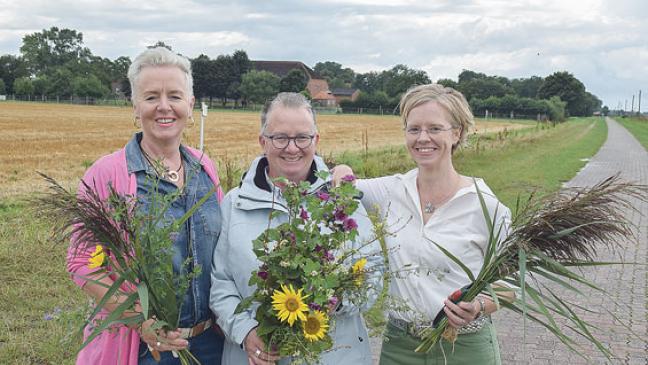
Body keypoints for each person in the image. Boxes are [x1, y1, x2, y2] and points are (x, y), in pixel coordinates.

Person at [66, 47, 224, 365]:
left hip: (210, 342)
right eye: (151, 97)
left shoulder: (205, 167)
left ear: (190, 106)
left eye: (174, 96)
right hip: (144, 348)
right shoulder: (107, 174)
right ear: (135, 107)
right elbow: (82, 265)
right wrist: (141, 320)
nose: (164, 107)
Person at [333, 84, 511, 364]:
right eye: (414, 129)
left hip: (463, 347)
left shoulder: (485, 205)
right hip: (400, 347)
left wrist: (478, 306)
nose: (422, 138)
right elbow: (343, 185)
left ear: (457, 133)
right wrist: (341, 170)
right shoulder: (390, 191)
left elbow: (512, 283)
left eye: (434, 129)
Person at [209, 92, 383, 365]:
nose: (292, 148)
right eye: (280, 137)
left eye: (302, 137)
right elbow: (220, 284)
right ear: (262, 142)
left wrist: (336, 299)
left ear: (316, 140)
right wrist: (245, 332)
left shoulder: (343, 198)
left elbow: (373, 271)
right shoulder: (235, 203)